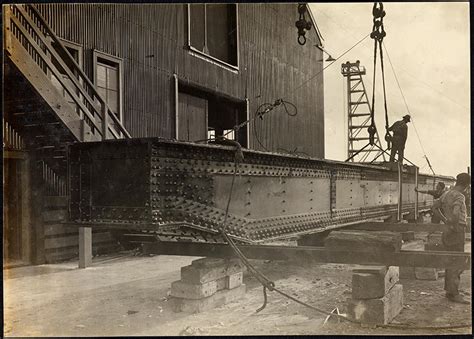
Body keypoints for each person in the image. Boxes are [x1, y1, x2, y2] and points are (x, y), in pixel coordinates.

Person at [432, 172, 471, 304]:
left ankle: (450, 291)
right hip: (457, 230)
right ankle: (454, 293)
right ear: (466, 185)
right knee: (457, 261)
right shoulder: (459, 196)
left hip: (448, 230)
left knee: (450, 260)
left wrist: (444, 221)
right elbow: (455, 213)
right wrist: (454, 224)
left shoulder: (446, 194)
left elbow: (434, 207)